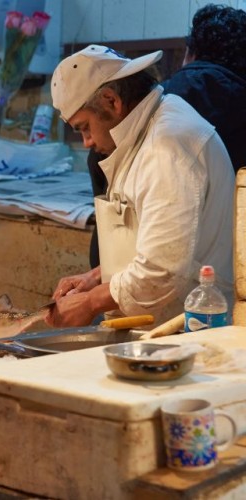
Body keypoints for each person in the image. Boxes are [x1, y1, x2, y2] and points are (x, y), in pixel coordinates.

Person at [46, 45, 235, 327]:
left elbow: (161, 270)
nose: (86, 142)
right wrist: (95, 277)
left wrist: (90, 302)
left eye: (84, 127)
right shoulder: (150, 125)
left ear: (111, 100)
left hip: (193, 328)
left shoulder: (166, 147)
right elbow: (152, 239)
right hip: (162, 325)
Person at [87, 4, 246, 268]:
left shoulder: (154, 103)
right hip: (223, 281)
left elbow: (97, 161)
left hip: (122, 273)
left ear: (189, 54)